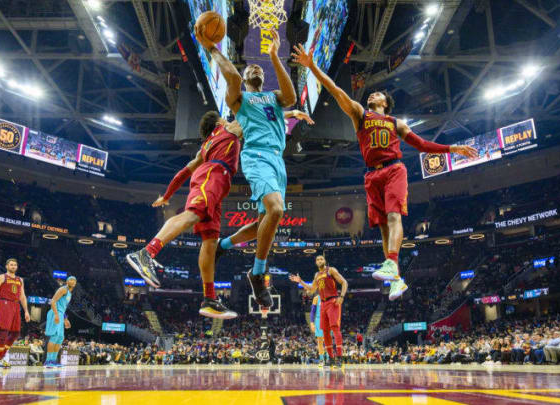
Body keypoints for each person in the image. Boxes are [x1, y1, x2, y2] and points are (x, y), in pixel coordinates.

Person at [291, 44, 477, 300]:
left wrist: (452, 147)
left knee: (393, 218)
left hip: (393, 170)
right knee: (381, 228)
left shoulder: (395, 123)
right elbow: (335, 91)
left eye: (377, 94)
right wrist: (311, 66)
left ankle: (391, 263)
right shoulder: (360, 114)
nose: (372, 95)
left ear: (385, 103)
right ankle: (397, 278)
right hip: (371, 175)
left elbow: (422, 145)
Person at [198, 26, 297, 308]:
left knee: (265, 222)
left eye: (259, 67)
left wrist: (274, 57)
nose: (255, 67)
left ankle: (223, 246)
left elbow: (289, 98)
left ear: (263, 77)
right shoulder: (240, 99)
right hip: (256, 156)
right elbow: (230, 74)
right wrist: (212, 47)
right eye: (250, 67)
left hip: (278, 161)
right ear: (245, 77)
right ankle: (257, 273)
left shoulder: (274, 98)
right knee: (276, 210)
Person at [127, 113, 243, 319]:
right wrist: (288, 113)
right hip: (214, 175)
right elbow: (257, 115)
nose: (228, 119)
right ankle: (146, 253)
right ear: (218, 123)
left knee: (211, 240)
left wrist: (167, 196)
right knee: (191, 215)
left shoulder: (205, 147)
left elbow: (183, 172)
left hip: (215, 179)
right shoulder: (227, 129)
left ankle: (209, 298)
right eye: (224, 118)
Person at [289, 255, 348, 369]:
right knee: (325, 332)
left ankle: (339, 357)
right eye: (317, 259)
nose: (319, 260)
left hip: (333, 301)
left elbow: (344, 282)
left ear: (325, 261)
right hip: (323, 304)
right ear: (316, 262)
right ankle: (331, 359)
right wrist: (300, 281)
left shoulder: (331, 270)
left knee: (335, 328)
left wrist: (342, 296)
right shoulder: (316, 275)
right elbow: (311, 290)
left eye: (321, 259)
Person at [0, 258, 31, 368]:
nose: (13, 266)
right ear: (7, 266)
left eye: (15, 265)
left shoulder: (20, 280)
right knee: (4, 331)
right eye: (11, 265)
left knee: (16, 333)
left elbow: (22, 296)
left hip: (16, 306)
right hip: (4, 303)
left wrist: (26, 311)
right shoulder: (1, 277)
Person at [43, 276, 77, 368]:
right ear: (67, 281)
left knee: (60, 337)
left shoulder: (70, 293)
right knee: (54, 336)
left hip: (61, 314)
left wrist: (65, 319)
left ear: (75, 283)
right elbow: (53, 301)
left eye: (74, 280)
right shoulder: (63, 289)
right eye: (71, 279)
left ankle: (53, 360)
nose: (72, 281)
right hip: (55, 313)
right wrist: (56, 314)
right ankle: (48, 361)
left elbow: (62, 307)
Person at [309, 295, 328, 367]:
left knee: (328, 341)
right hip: (318, 320)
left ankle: (329, 359)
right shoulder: (316, 298)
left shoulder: (330, 297)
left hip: (328, 320)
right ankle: (321, 359)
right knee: (320, 341)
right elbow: (312, 311)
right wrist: (312, 323)